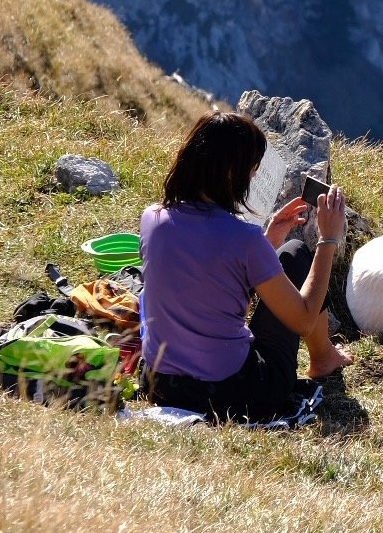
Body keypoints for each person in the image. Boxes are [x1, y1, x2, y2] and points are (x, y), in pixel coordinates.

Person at [140, 112, 352, 422]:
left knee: (282, 250)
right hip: (234, 393)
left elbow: (210, 278)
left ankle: (325, 356)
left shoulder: (153, 219)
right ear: (231, 173)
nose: (251, 180)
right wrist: (328, 239)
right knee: (294, 254)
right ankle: (323, 357)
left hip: (160, 384)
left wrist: (268, 239)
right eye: (251, 172)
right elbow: (304, 319)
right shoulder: (243, 239)